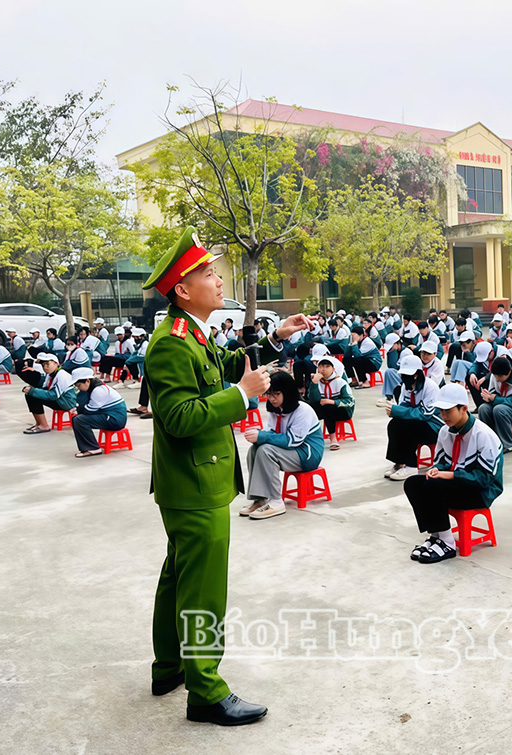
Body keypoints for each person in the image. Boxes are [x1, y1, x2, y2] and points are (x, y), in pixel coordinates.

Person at [141, 227, 312, 726]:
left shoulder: (192, 333)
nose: (217, 280)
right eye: (208, 273)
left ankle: (169, 667)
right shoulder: (171, 344)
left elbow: (223, 363)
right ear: (182, 289)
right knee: (203, 590)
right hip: (194, 485)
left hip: (196, 481)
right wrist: (240, 395)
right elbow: (178, 416)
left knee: (179, 577)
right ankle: (207, 692)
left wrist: (275, 337)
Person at [404, 383, 503, 564]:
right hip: (456, 484)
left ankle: (447, 543)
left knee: (435, 486)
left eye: (448, 411)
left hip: (481, 491)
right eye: (441, 411)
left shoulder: (484, 435)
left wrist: (449, 475)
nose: (443, 416)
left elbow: (485, 479)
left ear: (464, 408)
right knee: (413, 483)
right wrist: (437, 469)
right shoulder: (444, 431)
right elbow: (442, 462)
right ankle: (436, 536)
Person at [241, 370, 325, 520]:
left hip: (308, 454)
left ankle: (276, 501)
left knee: (266, 450)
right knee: (255, 449)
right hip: (292, 451)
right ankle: (260, 499)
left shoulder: (303, 410)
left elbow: (293, 441)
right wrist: (260, 434)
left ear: (287, 392)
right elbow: (272, 431)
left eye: (276, 394)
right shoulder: (276, 409)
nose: (272, 399)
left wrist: (262, 436)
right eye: (269, 394)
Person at [383, 354, 443, 481]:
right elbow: (404, 405)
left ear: (416, 375)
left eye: (406, 375)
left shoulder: (431, 387)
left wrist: (398, 410)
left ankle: (411, 465)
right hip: (418, 422)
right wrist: (396, 411)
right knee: (394, 424)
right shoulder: (406, 385)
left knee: (409, 426)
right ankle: (399, 462)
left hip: (434, 426)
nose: (403, 378)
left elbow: (425, 414)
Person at [477, 355, 512, 452]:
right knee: (483, 408)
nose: (497, 379)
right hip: (503, 406)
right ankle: (491, 439)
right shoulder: (494, 376)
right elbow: (493, 393)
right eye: (495, 376)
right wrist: (488, 398)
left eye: (500, 376)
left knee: (499, 410)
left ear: (509, 371)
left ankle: (508, 444)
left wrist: (495, 399)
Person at [66, 367, 127, 458]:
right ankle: (90, 446)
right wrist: (77, 410)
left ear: (87, 381)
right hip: (109, 415)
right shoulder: (92, 387)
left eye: (79, 385)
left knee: (79, 420)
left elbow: (89, 410)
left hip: (115, 419)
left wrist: (78, 412)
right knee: (78, 418)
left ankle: (92, 448)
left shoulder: (98, 390)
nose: (78, 388)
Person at [305, 355, 356, 451]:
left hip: (342, 411)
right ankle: (307, 436)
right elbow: (313, 400)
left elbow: (349, 402)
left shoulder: (340, 382)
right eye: (320, 367)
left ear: (333, 369)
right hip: (325, 410)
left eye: (327, 367)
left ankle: (333, 437)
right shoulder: (316, 381)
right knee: (306, 407)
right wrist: (314, 384)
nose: (323, 369)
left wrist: (332, 402)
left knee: (328, 407)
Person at [21, 353, 78, 434]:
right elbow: (45, 387)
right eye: (43, 365)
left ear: (56, 363)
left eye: (48, 364)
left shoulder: (62, 375)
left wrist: (34, 391)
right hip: (60, 399)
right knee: (30, 394)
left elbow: (53, 395)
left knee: (33, 395)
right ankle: (39, 423)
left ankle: (44, 426)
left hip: (66, 402)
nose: (45, 367)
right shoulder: (51, 374)